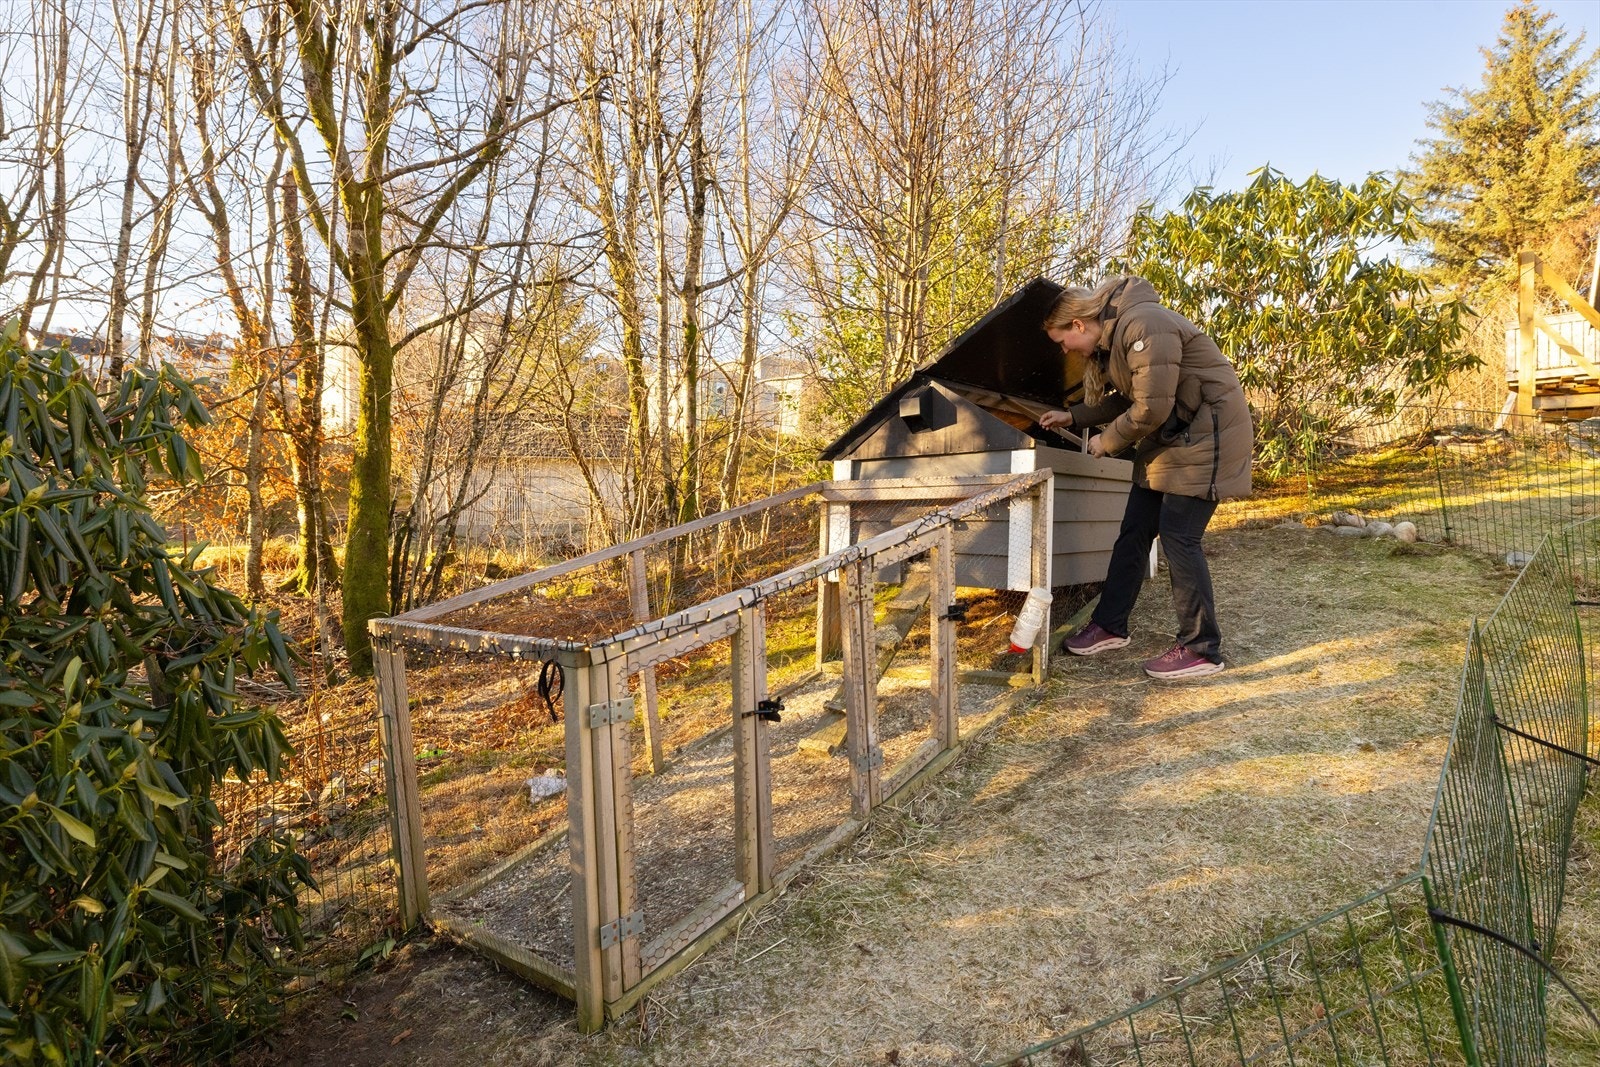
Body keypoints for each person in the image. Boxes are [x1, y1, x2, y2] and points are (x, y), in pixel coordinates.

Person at [1037, 276, 1252, 680]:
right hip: (1174, 438)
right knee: (1135, 530)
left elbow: (1151, 407)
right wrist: (1074, 417)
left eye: (1063, 341)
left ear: (1078, 324)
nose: (1065, 350)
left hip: (1208, 436)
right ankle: (1110, 625)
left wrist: (1107, 441)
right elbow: (1130, 397)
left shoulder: (1143, 324)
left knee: (1179, 537)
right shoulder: (1119, 334)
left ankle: (1202, 648)